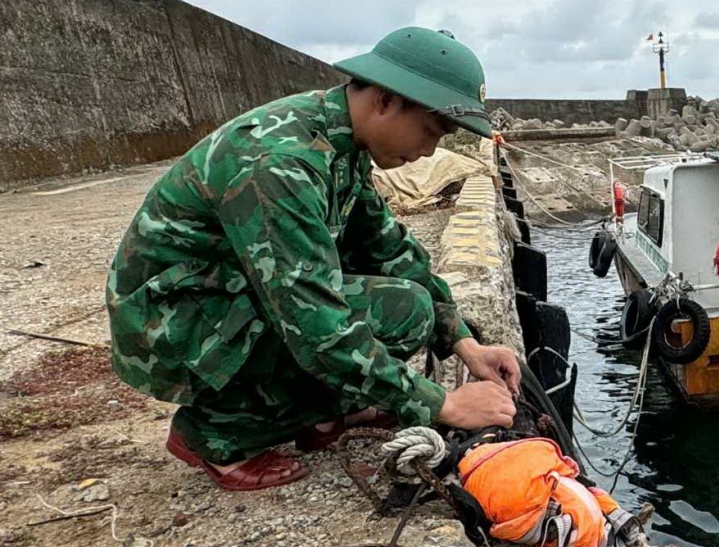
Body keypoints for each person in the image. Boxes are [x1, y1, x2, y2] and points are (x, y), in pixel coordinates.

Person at [106, 27, 519, 491]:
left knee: (409, 307)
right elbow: (313, 318)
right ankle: (213, 433)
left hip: (226, 298)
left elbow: (388, 247)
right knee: (382, 317)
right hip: (174, 323)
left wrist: (465, 342)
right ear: (385, 100)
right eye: (429, 131)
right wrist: (443, 405)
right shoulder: (280, 161)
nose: (429, 151)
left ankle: (321, 411)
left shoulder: (341, 142)